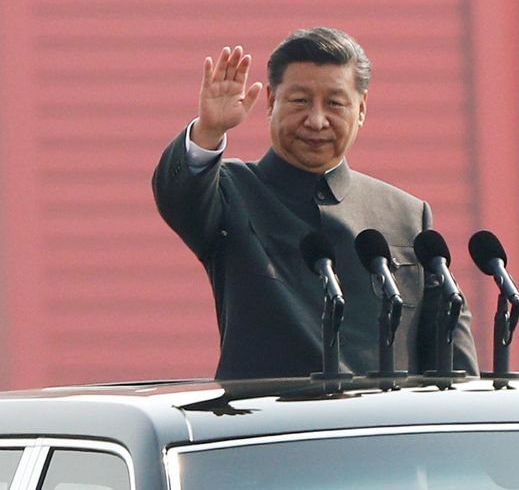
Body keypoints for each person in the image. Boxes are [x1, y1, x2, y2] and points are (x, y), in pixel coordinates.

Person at [152, 29, 476, 379]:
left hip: (383, 427)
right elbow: (179, 195)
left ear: (361, 109)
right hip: (269, 427)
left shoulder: (406, 215)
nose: (317, 120)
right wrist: (208, 131)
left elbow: (449, 347)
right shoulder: (232, 192)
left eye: (335, 103)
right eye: (300, 101)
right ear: (271, 102)